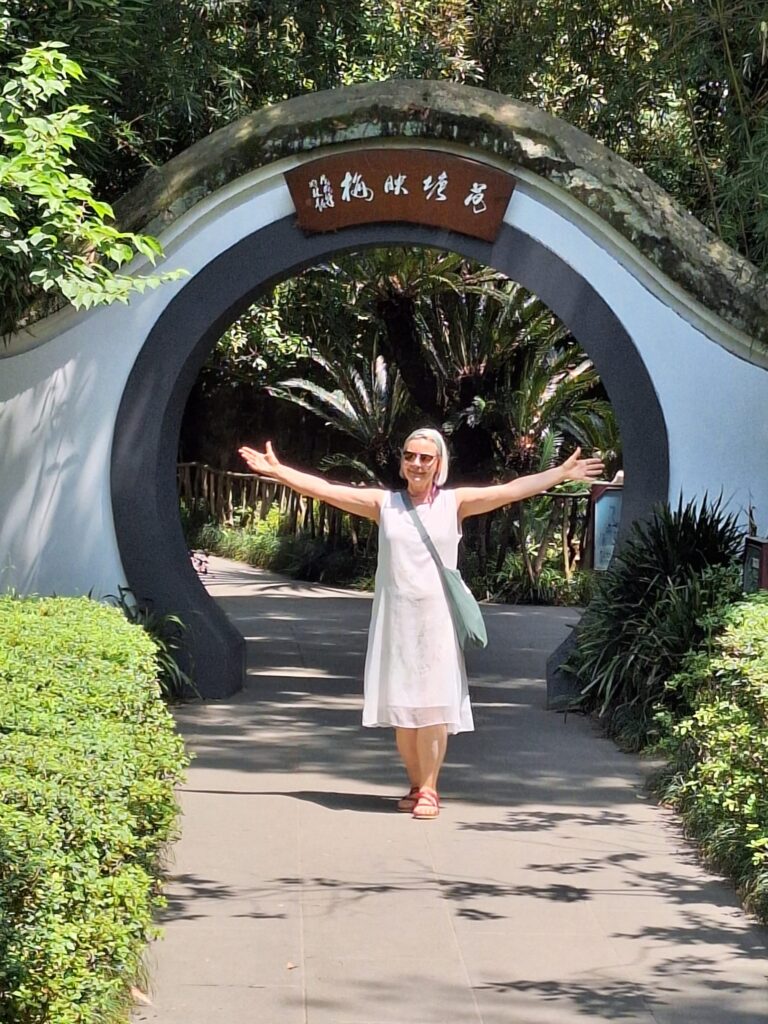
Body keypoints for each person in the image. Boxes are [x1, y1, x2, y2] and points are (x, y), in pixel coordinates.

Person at [239, 429, 604, 820]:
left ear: (438, 464)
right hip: (396, 621)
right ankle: (416, 785)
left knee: (432, 707)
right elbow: (327, 490)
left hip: (437, 621)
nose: (416, 463)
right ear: (402, 461)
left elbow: (511, 490)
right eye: (410, 455)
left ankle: (430, 788)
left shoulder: (454, 503)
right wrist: (279, 471)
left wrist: (560, 473)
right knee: (403, 710)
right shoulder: (385, 504)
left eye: (425, 458)